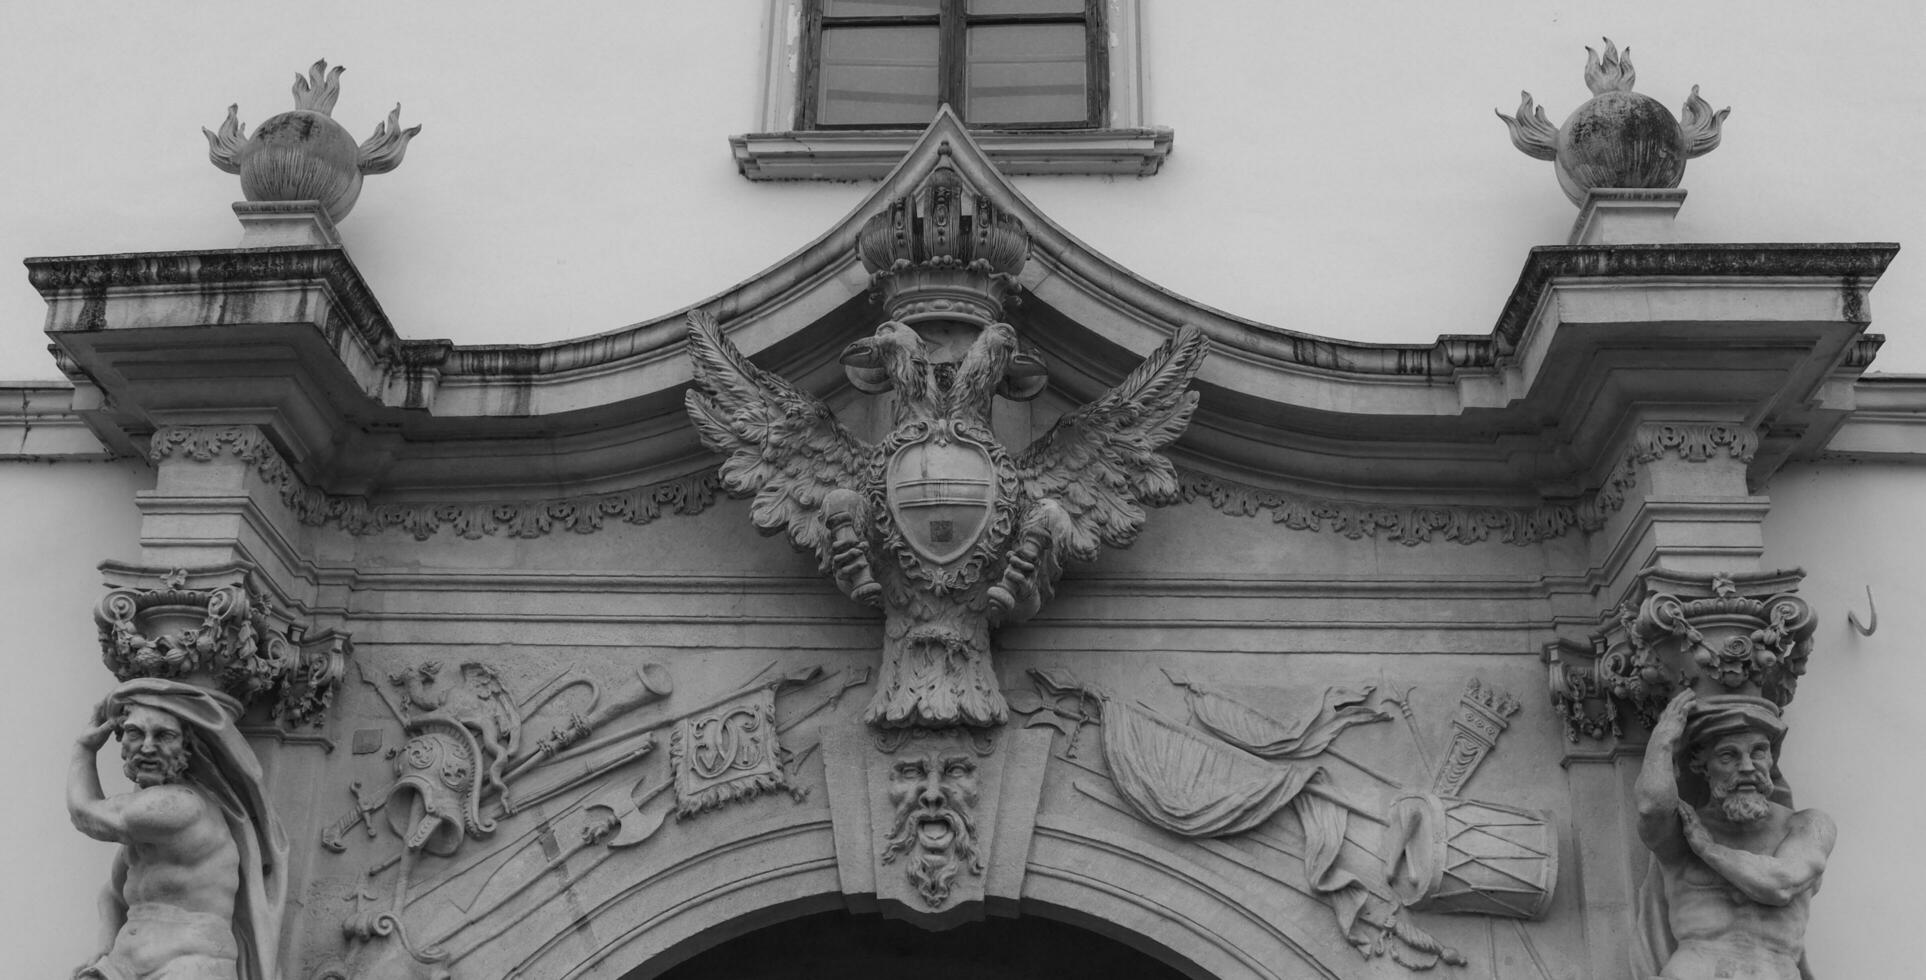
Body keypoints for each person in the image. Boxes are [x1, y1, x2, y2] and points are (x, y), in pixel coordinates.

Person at [68, 679, 286, 980]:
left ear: (187, 744)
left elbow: (86, 815)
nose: (146, 747)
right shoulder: (145, 832)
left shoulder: (182, 806)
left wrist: (83, 749)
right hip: (122, 967)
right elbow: (114, 894)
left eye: (163, 735)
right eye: (134, 732)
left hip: (188, 966)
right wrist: (105, 944)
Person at [1634, 689, 1835, 980]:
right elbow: (1652, 806)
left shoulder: (1808, 826)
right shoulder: (1681, 832)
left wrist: (1708, 850)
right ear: (1701, 765)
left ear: (1771, 759)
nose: (1747, 767)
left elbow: (1780, 884)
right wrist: (1663, 738)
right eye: (1728, 755)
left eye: (1758, 752)